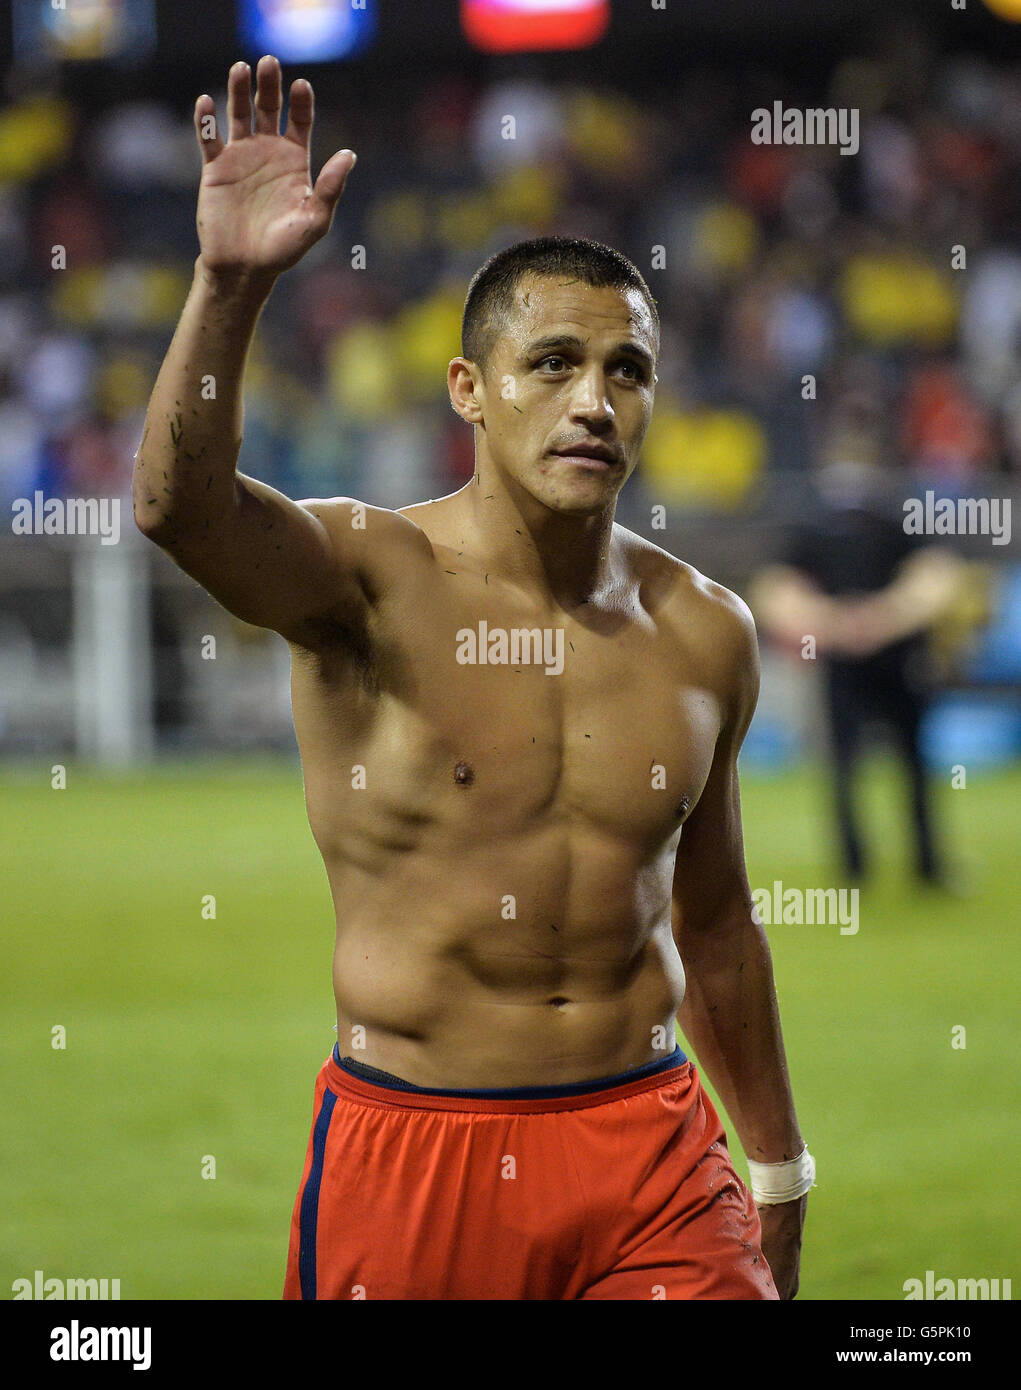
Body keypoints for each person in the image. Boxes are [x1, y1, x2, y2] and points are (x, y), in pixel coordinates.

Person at [134, 55, 811, 1300]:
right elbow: (180, 510)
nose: (594, 401)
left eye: (628, 371)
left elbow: (714, 923)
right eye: (552, 363)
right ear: (470, 392)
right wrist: (227, 288)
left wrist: (775, 1166)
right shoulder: (367, 576)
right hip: (414, 1150)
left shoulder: (707, 628)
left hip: (651, 1148)